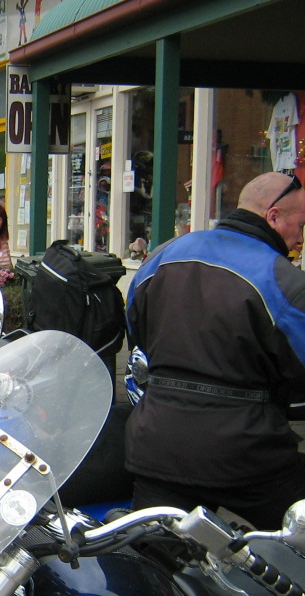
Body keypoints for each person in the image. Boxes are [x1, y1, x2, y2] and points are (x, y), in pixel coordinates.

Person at [125, 171, 305, 529]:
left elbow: (136, 337)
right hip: (247, 455)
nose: (300, 237)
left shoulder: (161, 257)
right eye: (300, 225)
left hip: (157, 444)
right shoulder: (284, 280)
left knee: (153, 554)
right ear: (273, 216)